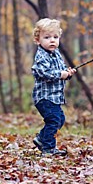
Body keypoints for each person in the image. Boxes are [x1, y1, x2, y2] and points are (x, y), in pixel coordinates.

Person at [31, 18, 76, 157]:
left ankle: (41, 139)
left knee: (60, 119)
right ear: (38, 40)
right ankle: (48, 148)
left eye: (55, 37)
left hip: (54, 96)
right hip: (44, 97)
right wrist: (60, 74)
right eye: (47, 37)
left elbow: (61, 70)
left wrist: (67, 73)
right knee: (54, 120)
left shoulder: (56, 54)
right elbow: (43, 72)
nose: (52, 40)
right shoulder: (41, 56)